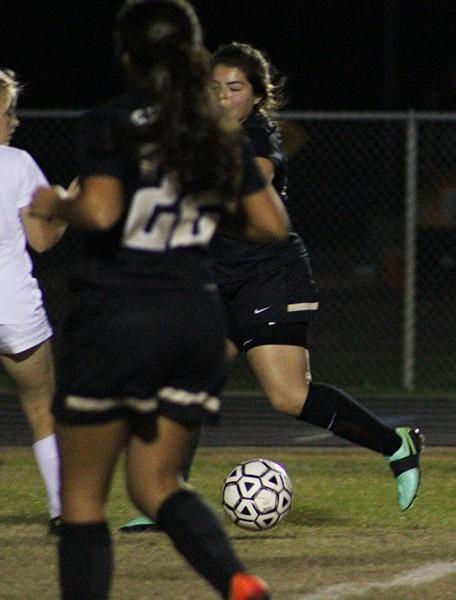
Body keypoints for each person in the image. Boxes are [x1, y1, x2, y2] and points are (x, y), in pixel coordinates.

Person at [28, 1, 288, 598]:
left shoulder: (112, 119)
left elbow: (101, 210)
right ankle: (238, 581)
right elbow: (271, 223)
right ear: (196, 53)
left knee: (83, 499)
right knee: (157, 485)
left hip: (118, 314)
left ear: (127, 55)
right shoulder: (211, 128)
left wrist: (52, 205)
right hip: (195, 318)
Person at [120, 40, 423, 533]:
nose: (223, 97)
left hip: (269, 274)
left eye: (235, 88)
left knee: (287, 395)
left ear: (258, 98)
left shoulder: (257, 137)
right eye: (215, 87)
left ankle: (396, 445)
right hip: (218, 280)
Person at [0, 68, 67, 535]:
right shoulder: (18, 164)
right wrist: (67, 205)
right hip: (12, 306)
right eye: (8, 112)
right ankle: (62, 510)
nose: (15, 121)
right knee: (41, 408)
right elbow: (41, 240)